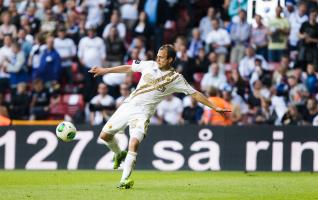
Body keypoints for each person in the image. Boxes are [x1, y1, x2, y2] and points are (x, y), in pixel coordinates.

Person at [88, 44, 230, 189]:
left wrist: (215, 107)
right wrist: (105, 70)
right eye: (157, 56)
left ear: (170, 59)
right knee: (105, 136)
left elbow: (195, 93)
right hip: (127, 106)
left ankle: (124, 180)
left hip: (143, 113)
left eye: (161, 57)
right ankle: (119, 153)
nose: (158, 59)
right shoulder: (149, 65)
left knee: (134, 143)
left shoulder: (175, 78)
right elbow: (129, 67)